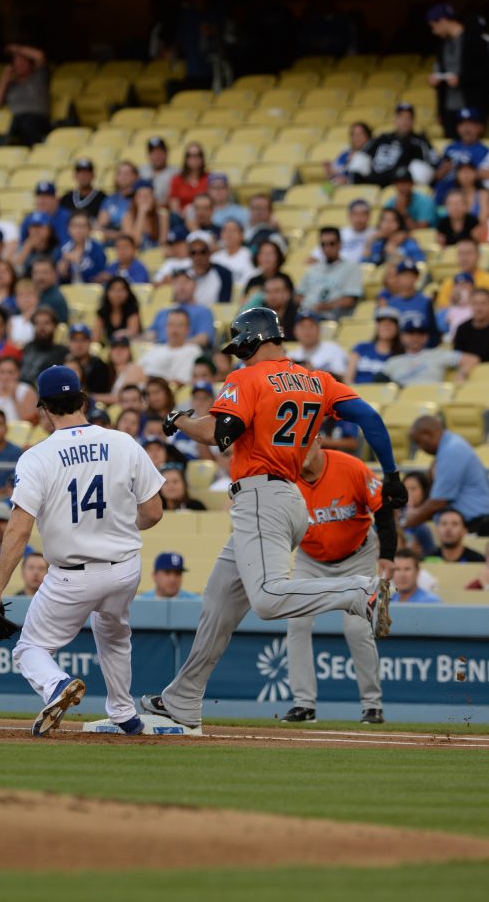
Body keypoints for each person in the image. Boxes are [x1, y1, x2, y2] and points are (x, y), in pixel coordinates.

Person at [140, 306, 406, 729]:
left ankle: (360, 592)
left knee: (266, 598)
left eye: (240, 345)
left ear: (252, 338)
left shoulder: (247, 377)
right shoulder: (317, 380)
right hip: (289, 499)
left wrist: (181, 420)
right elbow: (370, 419)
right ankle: (183, 699)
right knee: (218, 604)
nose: (238, 354)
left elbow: (220, 433)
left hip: (262, 496)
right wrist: (390, 472)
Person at [0, 365, 165, 735]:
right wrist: (125, 527)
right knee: (114, 634)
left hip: (72, 576)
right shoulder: (123, 442)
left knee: (30, 648)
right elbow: (154, 512)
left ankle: (56, 685)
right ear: (82, 399)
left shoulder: (37, 457)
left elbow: (18, 529)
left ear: (43, 407)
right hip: (124, 567)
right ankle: (124, 712)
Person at [280, 436, 394, 724]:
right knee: (297, 622)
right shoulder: (284, 476)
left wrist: (388, 555)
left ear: (318, 441)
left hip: (357, 556)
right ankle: (303, 704)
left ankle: (372, 705)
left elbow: (382, 507)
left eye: (305, 443)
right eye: (293, 445)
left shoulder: (350, 467)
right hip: (311, 559)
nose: (299, 451)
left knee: (356, 628)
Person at [407, 415, 489, 535]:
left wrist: (406, 524)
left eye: (418, 441)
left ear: (428, 434)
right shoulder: (450, 445)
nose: (420, 448)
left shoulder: (452, 450)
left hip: (476, 525)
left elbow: (438, 502)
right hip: (468, 523)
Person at [427, 5, 489, 136]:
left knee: (474, 146)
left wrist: (461, 80)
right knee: (452, 145)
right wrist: (437, 79)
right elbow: (440, 69)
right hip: (450, 107)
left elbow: (484, 72)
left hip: (472, 104)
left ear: (443, 21)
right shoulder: (442, 45)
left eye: (434, 26)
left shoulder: (475, 40)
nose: (434, 31)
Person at [348, 103, 435, 187]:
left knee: (420, 169)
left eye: (408, 118)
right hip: (374, 177)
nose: (404, 121)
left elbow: (430, 164)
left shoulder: (418, 141)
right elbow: (364, 154)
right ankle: (353, 191)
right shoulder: (383, 138)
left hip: (400, 181)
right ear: (395, 119)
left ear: (413, 121)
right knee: (358, 158)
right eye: (401, 117)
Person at [0, 42, 50, 146]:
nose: (19, 64)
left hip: (36, 118)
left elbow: (39, 55)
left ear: (30, 64)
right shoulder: (10, 85)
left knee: (27, 124)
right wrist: (4, 80)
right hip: (16, 120)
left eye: (22, 61)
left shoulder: (38, 77)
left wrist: (16, 49)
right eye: (16, 61)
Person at [296, 227, 362, 318]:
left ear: (340, 244)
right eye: (323, 244)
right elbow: (298, 295)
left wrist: (323, 307)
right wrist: (308, 305)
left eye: (332, 244)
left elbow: (350, 300)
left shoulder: (351, 267)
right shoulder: (313, 268)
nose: (327, 248)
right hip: (305, 315)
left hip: (330, 317)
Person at [380, 316, 460, 385]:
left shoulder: (438, 353)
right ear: (402, 336)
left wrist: (462, 374)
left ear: (426, 336)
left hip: (432, 400)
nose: (416, 337)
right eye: (411, 333)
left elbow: (469, 359)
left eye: (421, 333)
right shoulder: (393, 361)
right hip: (402, 400)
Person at [434, 107, 489, 204]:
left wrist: (465, 172)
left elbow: (485, 174)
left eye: (471, 124)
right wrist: (444, 169)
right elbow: (437, 176)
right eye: (462, 124)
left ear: (479, 127)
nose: (466, 128)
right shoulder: (449, 148)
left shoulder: (484, 151)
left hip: (468, 196)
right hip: (445, 192)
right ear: (457, 128)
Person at [148, 269, 214, 349]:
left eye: (186, 282)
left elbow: (203, 338)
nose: (181, 287)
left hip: (187, 353)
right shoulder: (163, 311)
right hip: (159, 352)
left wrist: (175, 347)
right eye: (177, 282)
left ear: (195, 285)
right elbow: (150, 335)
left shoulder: (203, 311)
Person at [140, 308, 201, 385]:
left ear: (187, 329)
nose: (174, 330)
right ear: (165, 328)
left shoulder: (193, 350)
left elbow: (184, 382)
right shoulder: (155, 349)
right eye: (171, 325)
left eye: (179, 325)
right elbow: (138, 370)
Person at [383, 259, 438, 341]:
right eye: (404, 275)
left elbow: (432, 331)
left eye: (411, 276)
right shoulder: (391, 304)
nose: (407, 279)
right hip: (399, 349)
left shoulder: (425, 301)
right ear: (398, 278)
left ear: (417, 278)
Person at [346, 308, 403, 384]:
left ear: (397, 328)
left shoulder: (400, 355)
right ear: (377, 326)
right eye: (382, 322)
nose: (386, 325)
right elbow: (348, 379)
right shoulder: (361, 347)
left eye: (391, 322)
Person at [0, 357, 37, 426]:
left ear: (18, 373)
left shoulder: (26, 390)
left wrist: (14, 398)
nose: (6, 377)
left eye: (10, 372)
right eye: (2, 372)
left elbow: (31, 422)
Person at [288, 311, 348, 377]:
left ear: (318, 328)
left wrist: (314, 372)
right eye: (303, 327)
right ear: (295, 331)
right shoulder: (291, 356)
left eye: (311, 326)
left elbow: (342, 378)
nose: (307, 330)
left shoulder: (333, 349)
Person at [436, 238, 489, 310]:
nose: (464, 258)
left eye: (468, 253)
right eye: (460, 254)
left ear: (478, 256)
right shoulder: (449, 283)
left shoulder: (487, 280)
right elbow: (441, 312)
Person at [20, 307, 68, 385]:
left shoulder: (62, 352)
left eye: (46, 323)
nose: (41, 328)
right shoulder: (28, 347)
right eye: (37, 323)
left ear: (55, 326)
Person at [56, 212, 106, 284]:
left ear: (89, 229)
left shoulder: (98, 250)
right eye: (75, 226)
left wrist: (80, 262)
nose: (78, 230)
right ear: (68, 228)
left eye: (83, 226)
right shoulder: (62, 249)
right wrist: (63, 273)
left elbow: (98, 278)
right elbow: (58, 280)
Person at [186, 231, 233, 305]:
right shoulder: (184, 275)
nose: (198, 257)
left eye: (202, 252)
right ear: (189, 255)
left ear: (209, 253)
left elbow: (224, 306)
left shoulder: (223, 274)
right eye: (193, 252)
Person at [96, 161, 138, 242]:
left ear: (135, 176)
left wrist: (111, 234)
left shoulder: (140, 198)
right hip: (111, 241)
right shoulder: (110, 200)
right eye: (120, 173)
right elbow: (100, 226)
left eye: (127, 173)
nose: (123, 176)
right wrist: (118, 235)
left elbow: (131, 233)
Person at [20, 181, 71, 245]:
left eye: (46, 196)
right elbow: (21, 244)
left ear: (55, 199)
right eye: (39, 196)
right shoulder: (29, 219)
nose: (42, 200)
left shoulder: (67, 217)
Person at [94, 277, 141, 344]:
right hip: (110, 349)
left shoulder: (133, 310)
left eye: (121, 290)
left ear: (128, 293)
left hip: (129, 348)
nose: (117, 294)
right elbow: (95, 337)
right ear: (107, 292)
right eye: (113, 290)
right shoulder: (102, 312)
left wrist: (120, 334)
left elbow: (133, 332)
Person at [400, 471, 436, 558]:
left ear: (424, 491)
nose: (409, 493)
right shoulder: (397, 512)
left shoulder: (433, 511)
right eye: (406, 488)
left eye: (413, 489)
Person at [211, 219, 256, 287]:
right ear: (221, 235)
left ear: (242, 235)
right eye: (226, 230)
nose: (229, 234)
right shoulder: (214, 258)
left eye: (233, 230)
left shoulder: (248, 255)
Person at [169, 142, 208, 216]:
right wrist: (184, 215)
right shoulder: (177, 179)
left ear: (202, 158)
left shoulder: (208, 178)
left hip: (204, 216)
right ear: (186, 158)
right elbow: (174, 206)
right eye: (190, 155)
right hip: (182, 218)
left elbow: (212, 203)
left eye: (198, 155)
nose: (194, 158)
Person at [453, 287, 489, 366]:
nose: (479, 308)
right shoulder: (462, 329)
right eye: (475, 303)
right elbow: (457, 358)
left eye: (484, 303)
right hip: (469, 374)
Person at [138, 136, 177, 205]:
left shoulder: (176, 173)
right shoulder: (141, 171)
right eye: (154, 153)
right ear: (148, 155)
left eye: (160, 152)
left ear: (166, 153)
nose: (157, 156)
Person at [31, 257, 69, 324]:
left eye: (45, 273)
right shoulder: (34, 294)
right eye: (36, 273)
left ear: (54, 274)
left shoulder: (56, 299)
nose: (40, 277)